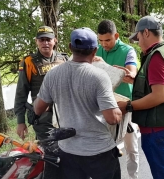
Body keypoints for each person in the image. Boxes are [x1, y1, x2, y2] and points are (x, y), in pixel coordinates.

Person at [33, 27, 123, 179]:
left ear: (70, 47)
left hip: (68, 152)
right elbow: (112, 118)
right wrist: (120, 109)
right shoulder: (99, 76)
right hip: (99, 152)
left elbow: (38, 108)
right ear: (95, 50)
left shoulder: (53, 74)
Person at [117, 16, 164, 179]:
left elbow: (159, 95)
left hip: (156, 128)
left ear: (146, 32)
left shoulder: (156, 56)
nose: (137, 41)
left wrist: (128, 106)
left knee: (162, 174)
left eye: (137, 37)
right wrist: (134, 78)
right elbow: (158, 84)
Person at [96, 19, 140, 179]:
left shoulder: (128, 50)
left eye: (107, 40)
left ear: (116, 35)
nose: (104, 44)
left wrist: (104, 65)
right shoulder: (96, 50)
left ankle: (133, 177)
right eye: (100, 41)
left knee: (131, 147)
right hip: (103, 107)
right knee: (104, 148)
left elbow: (131, 76)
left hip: (125, 106)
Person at [14, 26, 68, 141]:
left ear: (55, 40)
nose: (45, 43)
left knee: (69, 150)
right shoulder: (29, 62)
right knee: (49, 153)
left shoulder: (64, 59)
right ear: (36, 41)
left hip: (65, 115)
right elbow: (21, 93)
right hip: (43, 118)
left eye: (48, 40)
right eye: (41, 40)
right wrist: (20, 121)